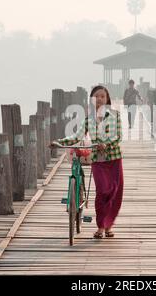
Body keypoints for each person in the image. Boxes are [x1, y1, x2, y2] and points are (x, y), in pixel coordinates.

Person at [50, 85, 123, 239]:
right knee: (102, 191)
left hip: (114, 159)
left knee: (114, 192)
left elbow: (118, 136)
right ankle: (100, 227)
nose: (100, 99)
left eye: (103, 96)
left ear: (107, 99)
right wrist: (59, 142)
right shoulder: (88, 120)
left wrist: (106, 143)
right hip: (98, 160)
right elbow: (77, 136)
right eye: (97, 97)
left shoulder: (115, 115)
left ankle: (109, 225)